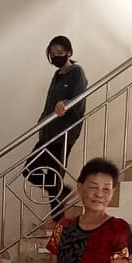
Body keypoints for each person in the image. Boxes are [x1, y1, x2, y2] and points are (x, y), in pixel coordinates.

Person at [24, 35, 89, 219]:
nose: (55, 56)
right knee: (30, 170)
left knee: (53, 175)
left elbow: (79, 99)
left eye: (59, 52)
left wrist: (66, 103)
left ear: (69, 52)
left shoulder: (77, 72)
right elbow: (50, 102)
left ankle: (57, 217)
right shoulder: (57, 75)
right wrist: (42, 119)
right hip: (49, 132)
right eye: (52, 54)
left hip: (64, 133)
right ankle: (64, 192)